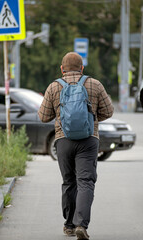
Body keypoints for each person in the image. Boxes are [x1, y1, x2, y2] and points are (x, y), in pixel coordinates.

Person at [38, 52, 114, 240]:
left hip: (63, 140)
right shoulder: (94, 84)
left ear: (62, 69)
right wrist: (92, 120)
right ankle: (82, 224)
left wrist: (61, 116)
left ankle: (69, 225)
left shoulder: (54, 87)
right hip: (89, 140)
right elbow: (109, 111)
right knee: (85, 182)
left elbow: (43, 116)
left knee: (68, 181)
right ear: (82, 68)